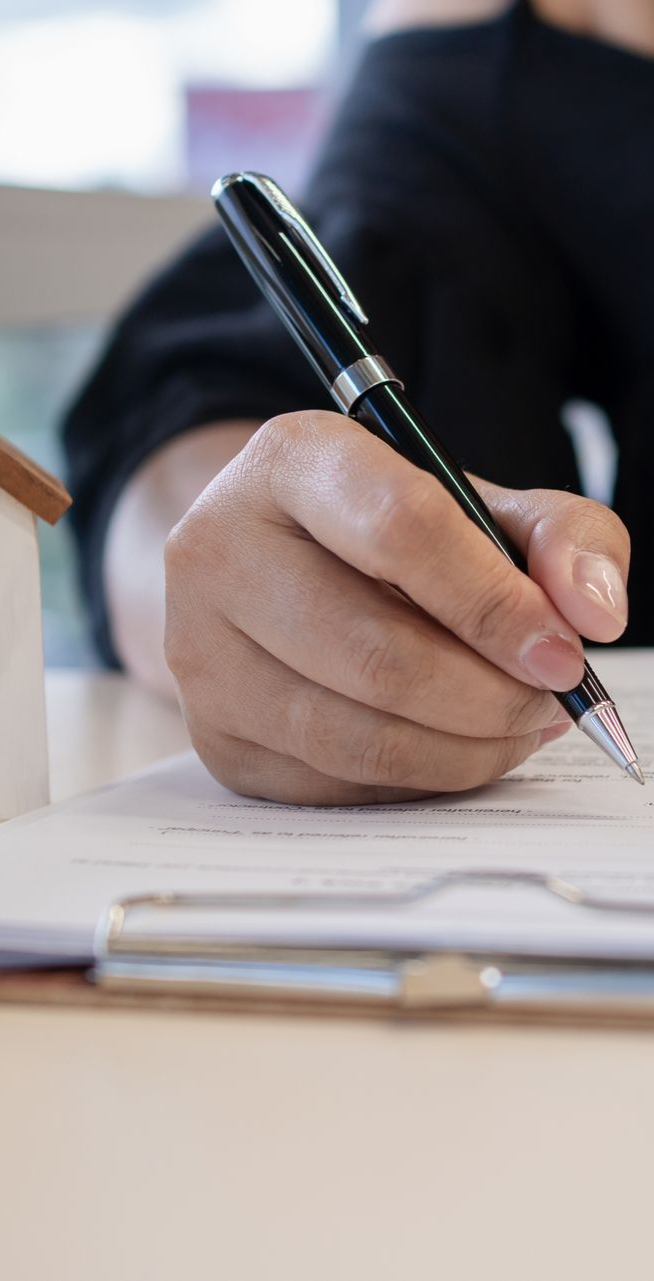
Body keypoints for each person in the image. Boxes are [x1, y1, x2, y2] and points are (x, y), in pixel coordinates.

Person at [62, 0, 654, 805]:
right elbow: (206, 416)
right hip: (490, 46)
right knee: (436, 531)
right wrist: (234, 567)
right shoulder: (455, 114)